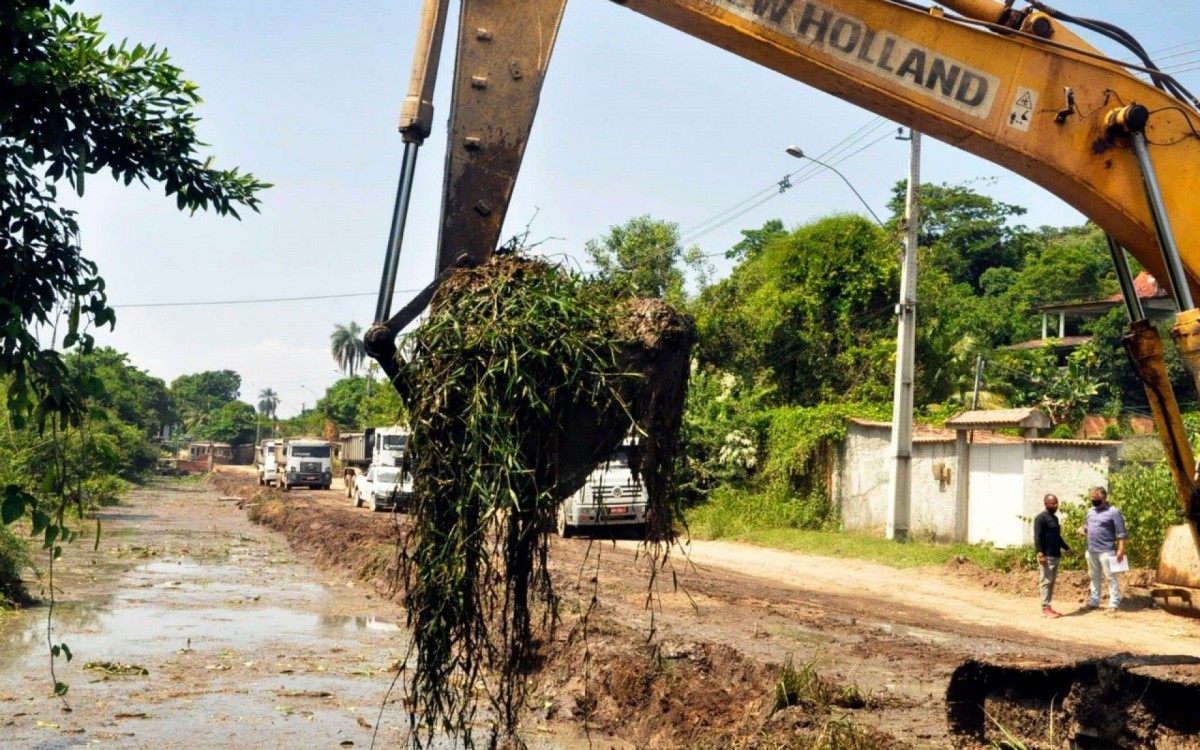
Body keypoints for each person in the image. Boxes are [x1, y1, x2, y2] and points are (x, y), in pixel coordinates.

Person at [1077, 486, 1128, 611]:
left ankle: (1114, 602)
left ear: (1104, 498)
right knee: (1094, 576)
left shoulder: (1113, 512)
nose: (1094, 501)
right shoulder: (1090, 511)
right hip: (1091, 550)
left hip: (1107, 550)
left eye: (1097, 499)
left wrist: (1121, 549)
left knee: (1110, 577)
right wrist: (1083, 530)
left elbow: (1121, 532)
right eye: (1093, 498)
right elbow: (1087, 526)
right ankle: (1094, 601)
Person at [1033, 493, 1069, 618]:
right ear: (1046, 504)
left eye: (1056, 503)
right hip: (1046, 556)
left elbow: (1057, 537)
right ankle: (1045, 608)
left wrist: (1066, 548)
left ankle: (1049, 607)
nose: (1055, 505)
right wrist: (1040, 553)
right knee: (1046, 582)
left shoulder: (1054, 518)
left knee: (1051, 582)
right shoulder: (1040, 518)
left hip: (1055, 555)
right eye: (1053, 503)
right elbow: (1037, 538)